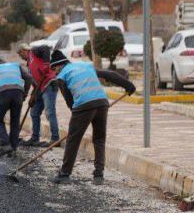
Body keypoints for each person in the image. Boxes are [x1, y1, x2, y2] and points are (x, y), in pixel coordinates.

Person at [49, 49, 136, 185]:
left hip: (83, 106)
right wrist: (129, 86)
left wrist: (77, 122)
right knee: (99, 139)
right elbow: (110, 74)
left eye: (54, 69)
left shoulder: (62, 76)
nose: (54, 73)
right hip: (102, 102)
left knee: (73, 140)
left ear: (58, 65)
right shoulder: (85, 65)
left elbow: (69, 102)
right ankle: (98, 175)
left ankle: (64, 174)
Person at [0, 57, 32, 158]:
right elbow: (29, 77)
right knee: (15, 121)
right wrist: (24, 94)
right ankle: (13, 149)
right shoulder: (15, 65)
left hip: (2, 94)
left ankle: (6, 145)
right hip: (18, 93)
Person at [18, 43, 60, 146]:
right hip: (40, 89)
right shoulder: (29, 64)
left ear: (23, 51)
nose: (20, 57)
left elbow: (46, 48)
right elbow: (35, 80)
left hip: (49, 84)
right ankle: (34, 138)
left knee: (50, 112)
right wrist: (33, 95)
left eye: (20, 54)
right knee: (34, 112)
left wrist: (46, 64)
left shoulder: (33, 51)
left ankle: (55, 139)